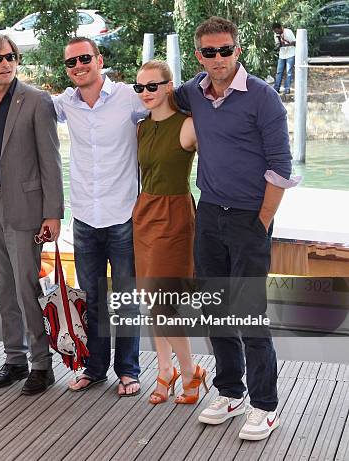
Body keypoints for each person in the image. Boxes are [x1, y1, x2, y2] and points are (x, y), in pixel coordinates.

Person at [174, 16, 298, 440]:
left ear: (237, 50)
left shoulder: (263, 97)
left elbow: (281, 168)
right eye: (209, 52)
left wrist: (261, 222)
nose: (218, 58)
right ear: (199, 55)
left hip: (250, 219)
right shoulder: (193, 91)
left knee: (248, 313)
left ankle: (265, 405)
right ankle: (230, 392)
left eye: (225, 50)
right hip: (209, 213)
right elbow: (160, 100)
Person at [0, 35, 63, 396]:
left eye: (11, 57)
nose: (6, 63)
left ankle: (42, 364)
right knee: (4, 287)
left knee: (26, 287)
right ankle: (14, 358)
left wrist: (53, 214)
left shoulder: (37, 100)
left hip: (24, 208)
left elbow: (50, 161)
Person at [53, 37, 147, 397]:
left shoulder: (129, 97)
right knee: (91, 298)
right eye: (71, 62)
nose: (78, 66)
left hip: (124, 214)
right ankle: (95, 368)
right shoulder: (64, 104)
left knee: (126, 298)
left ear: (99, 59)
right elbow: (25, 106)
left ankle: (128, 370)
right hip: (85, 217)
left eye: (85, 58)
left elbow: (167, 107)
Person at [132, 60, 205, 405]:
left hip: (175, 215)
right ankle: (165, 369)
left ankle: (190, 371)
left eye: (152, 86)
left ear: (168, 86)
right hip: (144, 213)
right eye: (140, 88)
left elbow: (220, 160)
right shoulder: (141, 127)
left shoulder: (188, 125)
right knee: (151, 300)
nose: (145, 93)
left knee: (165, 304)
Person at [272, 22, 296, 95]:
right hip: (282, 55)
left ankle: (287, 88)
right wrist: (279, 39)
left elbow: (294, 42)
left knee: (288, 72)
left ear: (280, 28)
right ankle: (276, 88)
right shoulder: (276, 35)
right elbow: (278, 46)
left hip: (290, 53)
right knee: (279, 72)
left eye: (277, 31)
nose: (276, 32)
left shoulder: (288, 32)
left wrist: (286, 44)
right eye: (275, 31)